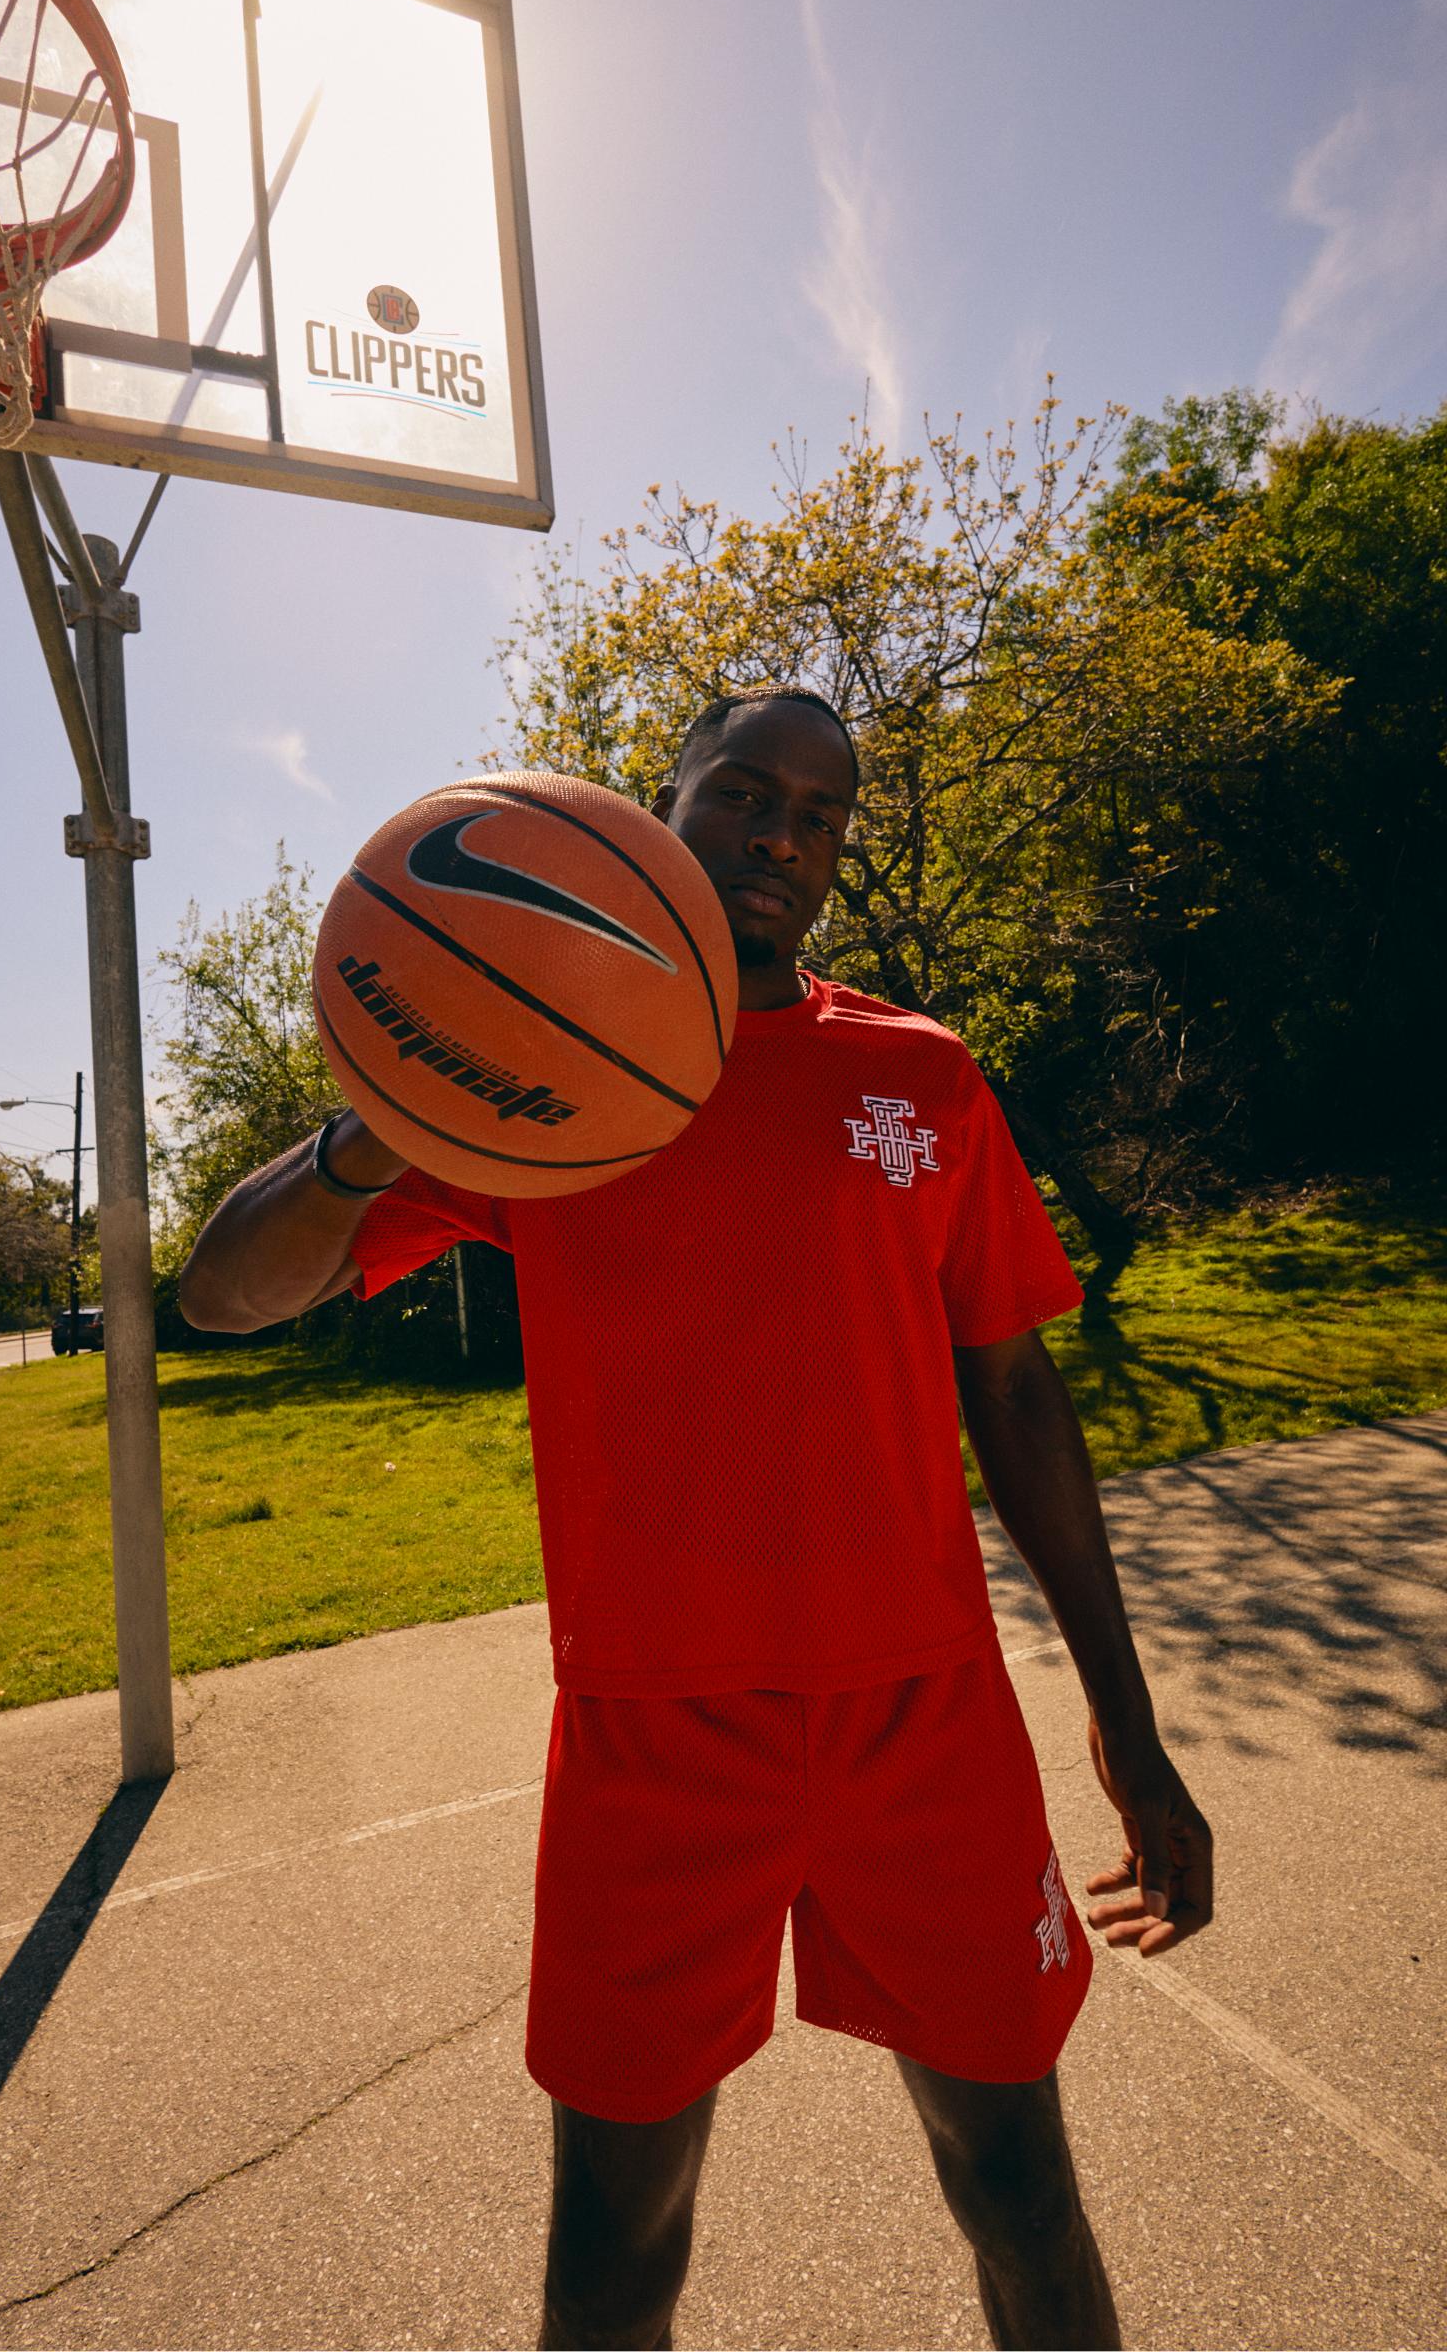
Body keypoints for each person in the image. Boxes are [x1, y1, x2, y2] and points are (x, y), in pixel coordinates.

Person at [179, 686, 1215, 2352]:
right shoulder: (542, 1076)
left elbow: (1019, 1400)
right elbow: (224, 1292)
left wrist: (1129, 1722)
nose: (784, 833)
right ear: (662, 801)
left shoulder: (920, 1075)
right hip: (656, 1737)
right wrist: (401, 1102)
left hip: (923, 1717)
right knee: (614, 2246)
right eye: (745, 792)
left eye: (822, 813)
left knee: (1018, 2187)